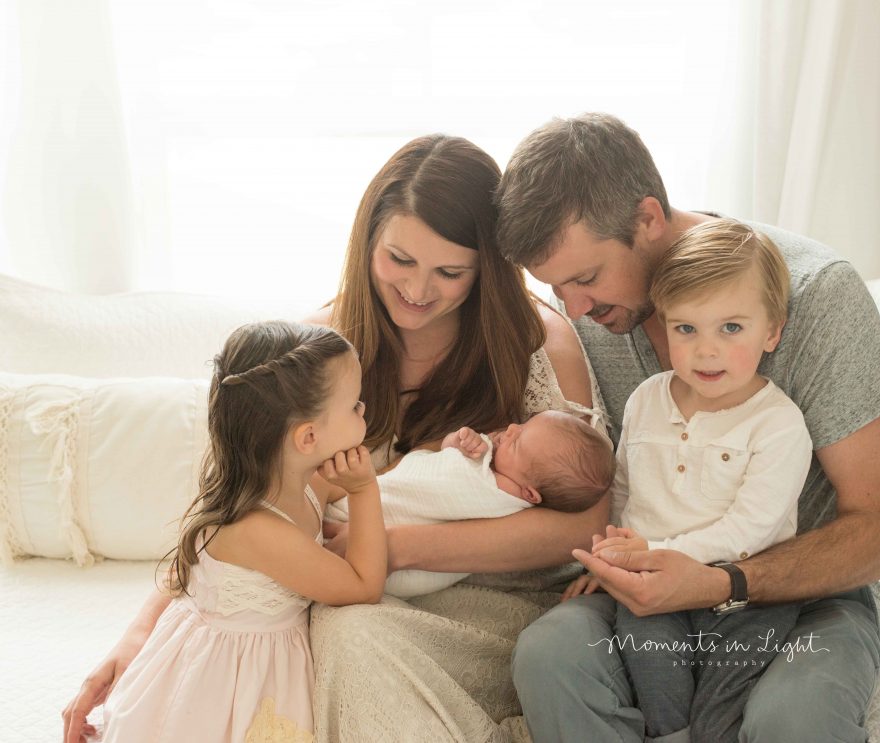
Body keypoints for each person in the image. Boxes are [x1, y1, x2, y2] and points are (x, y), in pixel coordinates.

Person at [62, 135, 605, 743]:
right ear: (366, 240)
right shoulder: (315, 353)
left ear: (488, 272)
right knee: (322, 631)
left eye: (450, 272)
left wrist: (394, 548)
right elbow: (233, 507)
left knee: (346, 629)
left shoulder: (534, 344)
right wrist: (139, 636)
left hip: (487, 599)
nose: (419, 290)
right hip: (335, 600)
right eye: (399, 260)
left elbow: (583, 524)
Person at [497, 113, 880, 742]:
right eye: (557, 287)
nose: (574, 308)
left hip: (802, 602)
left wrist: (722, 581)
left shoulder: (817, 296)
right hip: (648, 590)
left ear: (649, 219)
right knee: (550, 656)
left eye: (585, 278)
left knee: (790, 723)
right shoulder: (589, 320)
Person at [562, 219, 812, 741]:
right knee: (653, 673)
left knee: (726, 698)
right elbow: (625, 494)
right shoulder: (646, 399)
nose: (706, 351)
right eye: (686, 329)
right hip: (650, 588)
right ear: (666, 325)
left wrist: (652, 550)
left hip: (744, 599)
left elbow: (752, 531)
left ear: (773, 330)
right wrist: (611, 559)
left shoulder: (779, 423)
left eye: (731, 328)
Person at [98, 321, 387, 743]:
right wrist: (364, 490)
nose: (364, 413)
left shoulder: (302, 482)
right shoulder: (257, 531)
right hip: (229, 682)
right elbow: (364, 585)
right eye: (355, 407)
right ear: (308, 437)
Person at [328, 409, 615, 598]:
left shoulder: (502, 495)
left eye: (516, 443)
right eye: (522, 425)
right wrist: (459, 443)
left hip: (395, 557)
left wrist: (465, 455)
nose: (511, 429)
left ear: (529, 495)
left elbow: (448, 480)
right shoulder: (497, 464)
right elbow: (442, 461)